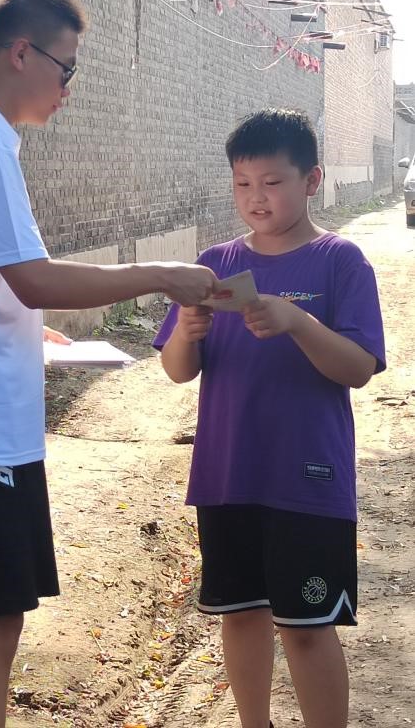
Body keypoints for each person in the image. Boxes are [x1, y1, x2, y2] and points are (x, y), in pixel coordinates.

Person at [0, 0, 217, 728]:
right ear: (20, 52)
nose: (69, 87)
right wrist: (161, 274)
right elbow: (33, 278)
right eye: (67, 68)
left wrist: (19, 332)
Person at [155, 108, 386, 728]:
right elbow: (178, 370)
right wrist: (187, 330)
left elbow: (359, 368)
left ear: (312, 180)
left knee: (308, 628)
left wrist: (298, 322)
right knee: (240, 617)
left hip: (306, 479)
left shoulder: (341, 261)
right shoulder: (215, 264)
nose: (256, 197)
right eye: (243, 183)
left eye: (272, 182)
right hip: (228, 473)